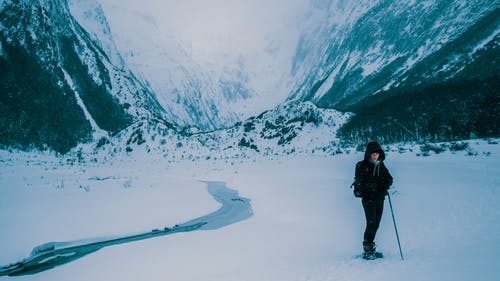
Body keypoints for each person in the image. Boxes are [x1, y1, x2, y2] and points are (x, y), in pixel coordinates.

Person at [353, 141, 393, 259]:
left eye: (377, 154)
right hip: (368, 199)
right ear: (368, 154)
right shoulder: (361, 166)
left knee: (376, 224)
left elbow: (389, 179)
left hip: (380, 198)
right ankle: (367, 250)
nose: (375, 156)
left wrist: (385, 183)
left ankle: (371, 248)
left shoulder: (381, 165)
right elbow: (360, 183)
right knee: (371, 223)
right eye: (373, 154)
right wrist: (376, 185)